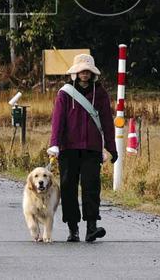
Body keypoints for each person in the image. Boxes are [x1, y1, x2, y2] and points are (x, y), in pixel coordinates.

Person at [47, 53, 117, 242]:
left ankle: (92, 227)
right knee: (68, 188)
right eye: (81, 71)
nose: (84, 74)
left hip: (91, 149)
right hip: (68, 148)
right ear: (75, 73)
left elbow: (107, 122)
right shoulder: (65, 93)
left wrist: (111, 147)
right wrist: (54, 143)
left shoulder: (100, 93)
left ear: (92, 73)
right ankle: (73, 229)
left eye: (87, 71)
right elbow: (58, 121)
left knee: (92, 187)